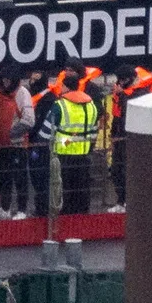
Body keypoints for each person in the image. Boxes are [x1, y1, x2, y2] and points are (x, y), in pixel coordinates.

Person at [36, 74, 99, 215]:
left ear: (66, 87)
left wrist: (40, 145)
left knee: (64, 190)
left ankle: (66, 222)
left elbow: (46, 131)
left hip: (63, 153)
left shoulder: (60, 106)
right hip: (84, 154)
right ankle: (82, 221)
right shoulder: (91, 105)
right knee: (82, 190)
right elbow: (94, 131)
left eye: (62, 85)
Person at [106, 65, 152, 213]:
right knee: (116, 170)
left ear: (129, 79)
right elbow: (117, 116)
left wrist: (122, 94)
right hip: (120, 137)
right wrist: (113, 134)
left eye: (121, 80)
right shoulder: (123, 93)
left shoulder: (141, 92)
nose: (118, 83)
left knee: (129, 171)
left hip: (134, 138)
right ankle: (121, 200)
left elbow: (131, 111)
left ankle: (131, 201)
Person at [0, 68, 34, 220]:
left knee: (20, 178)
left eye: (8, 79)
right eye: (3, 79)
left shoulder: (22, 93)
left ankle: (22, 209)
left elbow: (29, 120)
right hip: (2, 145)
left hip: (17, 145)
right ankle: (4, 208)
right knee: (3, 178)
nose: (5, 82)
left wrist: (10, 134)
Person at [27, 71, 58, 218]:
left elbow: (42, 122)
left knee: (42, 177)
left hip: (43, 144)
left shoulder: (49, 99)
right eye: (31, 79)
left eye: (35, 80)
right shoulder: (34, 97)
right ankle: (41, 207)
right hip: (33, 142)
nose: (32, 82)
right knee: (35, 176)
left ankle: (43, 209)